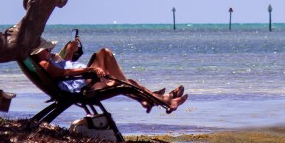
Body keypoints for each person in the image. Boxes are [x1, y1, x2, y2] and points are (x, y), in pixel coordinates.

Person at [31, 38, 188, 114]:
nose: (50, 51)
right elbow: (63, 73)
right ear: (38, 53)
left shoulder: (49, 61)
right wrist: (89, 70)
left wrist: (70, 51)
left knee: (128, 82)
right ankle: (159, 99)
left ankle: (154, 99)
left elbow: (66, 67)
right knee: (105, 53)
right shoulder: (44, 64)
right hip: (85, 85)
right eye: (46, 50)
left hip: (84, 81)